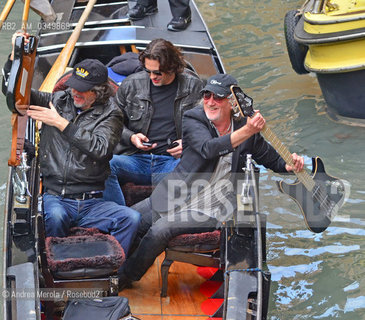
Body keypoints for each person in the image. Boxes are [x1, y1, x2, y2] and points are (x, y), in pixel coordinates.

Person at [117, 73, 304, 288]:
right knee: (130, 219)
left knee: (160, 229)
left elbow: (271, 159)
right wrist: (247, 130)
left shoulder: (246, 130)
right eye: (207, 95)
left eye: (218, 97)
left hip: (214, 207)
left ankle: (127, 277)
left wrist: (289, 166)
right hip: (178, 193)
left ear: (232, 103)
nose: (210, 102)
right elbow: (208, 149)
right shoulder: (194, 118)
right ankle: (114, 268)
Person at [2, 32, 141, 256]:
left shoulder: (112, 114)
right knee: (54, 217)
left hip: (93, 202)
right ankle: (57, 269)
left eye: (82, 88)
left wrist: (60, 123)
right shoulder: (58, 99)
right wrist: (15, 58)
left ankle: (114, 274)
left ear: (99, 91)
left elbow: (101, 149)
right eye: (74, 85)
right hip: (56, 196)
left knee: (132, 218)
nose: (74, 91)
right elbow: (17, 97)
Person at [103, 38, 203, 206]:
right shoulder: (131, 84)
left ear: (172, 67)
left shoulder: (194, 87)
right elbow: (111, 121)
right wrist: (132, 137)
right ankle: (121, 215)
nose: (152, 77)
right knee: (105, 165)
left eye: (157, 72)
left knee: (198, 168)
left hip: (173, 163)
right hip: (135, 159)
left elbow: (208, 126)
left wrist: (188, 143)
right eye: (148, 71)